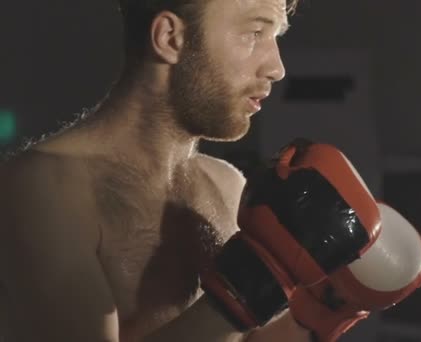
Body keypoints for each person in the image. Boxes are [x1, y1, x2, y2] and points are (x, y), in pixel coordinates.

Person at [0, 0, 316, 340]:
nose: (277, 67)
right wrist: (244, 295)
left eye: (275, 36)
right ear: (169, 38)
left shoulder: (227, 185)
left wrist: (326, 308)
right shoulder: (43, 189)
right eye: (255, 32)